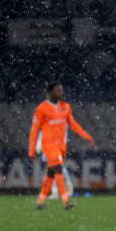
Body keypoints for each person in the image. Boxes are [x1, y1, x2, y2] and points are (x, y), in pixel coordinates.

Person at [28, 81, 94, 210]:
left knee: (51, 173)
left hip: (61, 147)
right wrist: (31, 151)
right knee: (58, 169)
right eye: (58, 90)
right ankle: (66, 202)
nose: (61, 93)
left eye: (61, 90)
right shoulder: (41, 109)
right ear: (49, 93)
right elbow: (34, 131)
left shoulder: (65, 107)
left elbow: (73, 124)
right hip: (48, 145)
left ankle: (40, 202)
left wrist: (86, 136)